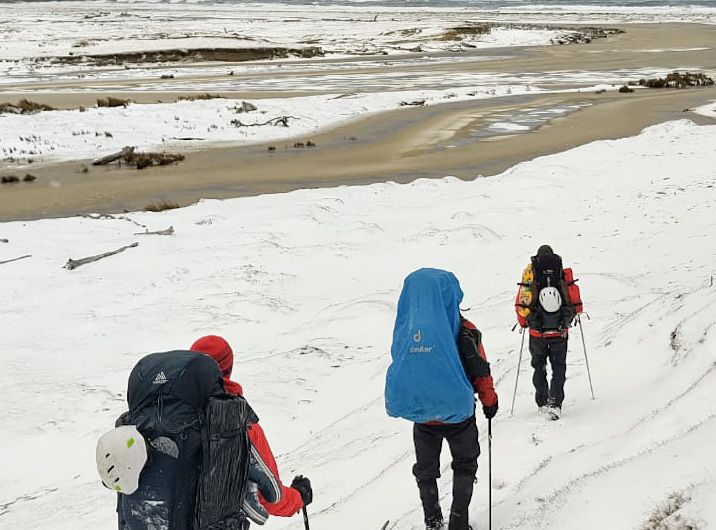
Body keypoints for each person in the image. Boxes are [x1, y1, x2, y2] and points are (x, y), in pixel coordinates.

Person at [385, 268, 498, 530]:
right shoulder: (464, 330)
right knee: (465, 465)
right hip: (458, 415)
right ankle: (459, 522)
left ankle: (432, 521)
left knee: (425, 470)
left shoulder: (406, 331)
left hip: (422, 417)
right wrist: (489, 402)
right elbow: (479, 370)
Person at [190, 335, 313, 520]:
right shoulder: (239, 425)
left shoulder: (161, 415)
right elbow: (270, 497)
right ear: (228, 370)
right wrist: (299, 497)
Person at [514, 245, 583, 419]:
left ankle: (542, 402)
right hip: (560, 332)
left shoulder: (531, 276)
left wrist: (524, 323)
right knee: (559, 368)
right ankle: (555, 403)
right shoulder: (562, 275)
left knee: (539, 367)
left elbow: (522, 303)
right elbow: (575, 302)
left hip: (537, 334)